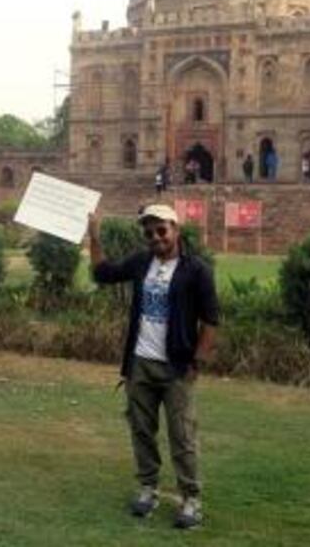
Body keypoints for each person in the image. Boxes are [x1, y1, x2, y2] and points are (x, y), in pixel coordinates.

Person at [87, 204, 219, 530]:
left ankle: (190, 498)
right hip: (141, 363)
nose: (155, 237)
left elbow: (211, 320)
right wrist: (94, 237)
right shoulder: (141, 262)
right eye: (149, 233)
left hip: (176, 367)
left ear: (176, 230)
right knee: (142, 431)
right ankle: (148, 487)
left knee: (182, 435)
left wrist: (197, 362)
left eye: (161, 230)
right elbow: (102, 273)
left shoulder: (196, 271)